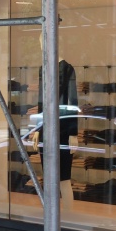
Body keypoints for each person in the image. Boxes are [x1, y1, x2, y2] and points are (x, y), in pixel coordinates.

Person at [36, 32, 78, 209]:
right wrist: (37, 129)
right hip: (46, 131)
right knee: (49, 178)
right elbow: (41, 101)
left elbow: (73, 102)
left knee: (63, 179)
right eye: (40, 42)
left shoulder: (67, 69)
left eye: (43, 41)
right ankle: (51, 216)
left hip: (63, 131)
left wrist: (73, 133)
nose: (41, 46)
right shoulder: (43, 68)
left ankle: (69, 216)